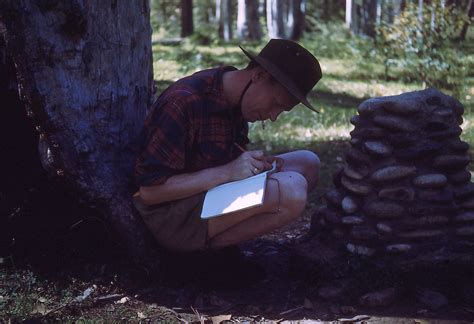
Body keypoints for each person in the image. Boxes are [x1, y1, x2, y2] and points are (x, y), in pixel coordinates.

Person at [133, 39, 322, 252]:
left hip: (207, 197)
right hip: (169, 216)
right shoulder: (184, 101)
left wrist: (253, 166)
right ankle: (203, 256)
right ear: (258, 75)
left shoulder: (236, 98)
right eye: (275, 103)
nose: (273, 116)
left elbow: (224, 160)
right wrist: (228, 172)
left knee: (308, 164)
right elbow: (150, 192)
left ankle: (222, 247)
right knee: (292, 190)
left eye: (282, 110)